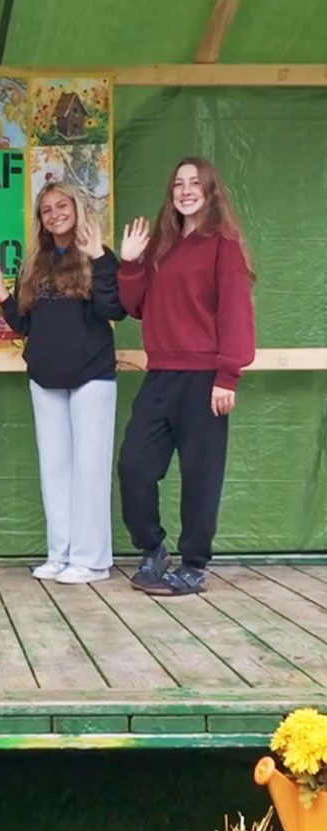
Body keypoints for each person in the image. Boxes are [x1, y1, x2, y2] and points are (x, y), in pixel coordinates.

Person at [117, 156, 256, 596]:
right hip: (160, 376)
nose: (185, 190)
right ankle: (153, 549)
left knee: (201, 476)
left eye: (195, 182)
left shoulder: (224, 245)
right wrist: (130, 263)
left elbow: (236, 312)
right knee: (134, 466)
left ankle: (194, 565)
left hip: (205, 379)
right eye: (178, 183)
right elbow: (137, 306)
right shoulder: (162, 245)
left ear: (210, 190)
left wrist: (227, 376)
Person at [0, 181, 125, 585]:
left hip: (91, 376)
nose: (55, 213)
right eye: (46, 209)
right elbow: (25, 324)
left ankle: (92, 561)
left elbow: (115, 309)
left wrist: (100, 258)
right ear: (40, 220)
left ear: (77, 209)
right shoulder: (33, 265)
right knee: (55, 469)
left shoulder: (97, 256)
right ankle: (60, 554)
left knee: (90, 469)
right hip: (45, 378)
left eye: (62, 205)